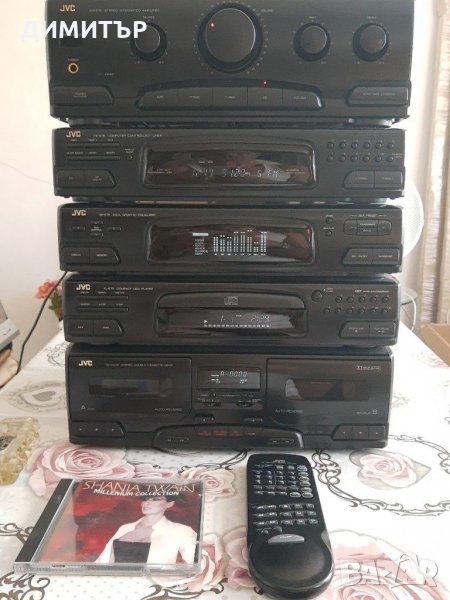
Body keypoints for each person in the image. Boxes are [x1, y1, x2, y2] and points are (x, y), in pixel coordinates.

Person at [95, 494, 198, 565]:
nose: (147, 503)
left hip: (154, 584)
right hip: (116, 580)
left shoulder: (181, 530)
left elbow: (195, 563)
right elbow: (103, 560)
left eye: (155, 499)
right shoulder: (125, 528)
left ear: (170, 504)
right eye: (145, 499)